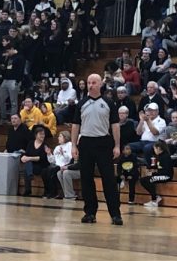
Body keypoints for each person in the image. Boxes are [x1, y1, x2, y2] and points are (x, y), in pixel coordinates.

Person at [71, 73, 122, 225]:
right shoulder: (81, 103)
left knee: (109, 180)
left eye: (94, 82)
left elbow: (115, 125)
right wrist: (73, 145)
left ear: (100, 84)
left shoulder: (108, 103)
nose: (91, 85)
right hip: (85, 142)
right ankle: (90, 213)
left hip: (103, 143)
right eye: (88, 82)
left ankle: (115, 214)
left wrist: (117, 145)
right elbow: (75, 125)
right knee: (86, 179)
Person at [140, 140, 173, 207]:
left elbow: (166, 170)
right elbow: (157, 166)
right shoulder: (158, 156)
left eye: (154, 148)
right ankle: (156, 196)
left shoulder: (166, 157)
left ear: (158, 148)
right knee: (143, 180)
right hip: (160, 174)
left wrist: (155, 172)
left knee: (150, 180)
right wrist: (149, 168)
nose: (154, 150)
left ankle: (154, 200)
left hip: (166, 176)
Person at [48, 130, 80, 200]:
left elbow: (74, 161)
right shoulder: (57, 147)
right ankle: (66, 193)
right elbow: (54, 160)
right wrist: (49, 154)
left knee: (63, 172)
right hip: (62, 166)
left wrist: (63, 154)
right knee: (58, 173)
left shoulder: (71, 145)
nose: (58, 138)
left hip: (75, 168)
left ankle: (69, 195)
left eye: (60, 136)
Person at [20, 126, 49, 196]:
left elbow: (41, 158)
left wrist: (29, 158)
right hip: (31, 165)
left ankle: (28, 188)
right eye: (40, 134)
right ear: (36, 135)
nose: (42, 136)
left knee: (27, 166)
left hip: (41, 165)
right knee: (27, 165)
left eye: (43, 134)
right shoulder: (30, 143)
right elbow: (27, 154)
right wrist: (23, 157)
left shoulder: (45, 145)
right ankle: (28, 189)